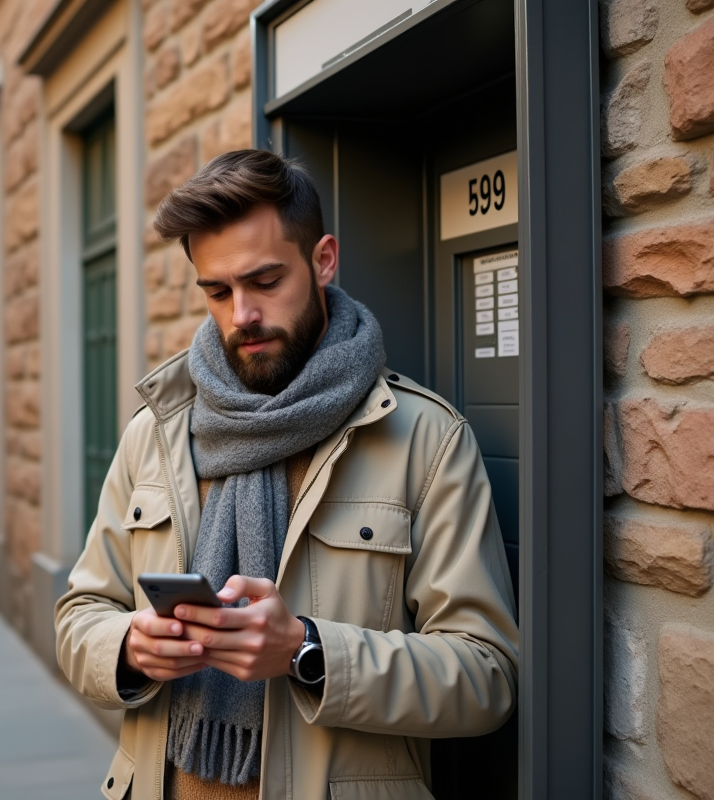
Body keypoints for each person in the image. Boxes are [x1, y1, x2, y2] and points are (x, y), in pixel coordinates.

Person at [54, 151, 518, 800]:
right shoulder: (155, 435)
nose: (241, 314)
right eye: (217, 292)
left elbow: (487, 676)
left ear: (323, 260)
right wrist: (130, 648)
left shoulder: (425, 440)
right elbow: (79, 615)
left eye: (265, 281)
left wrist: (306, 651)